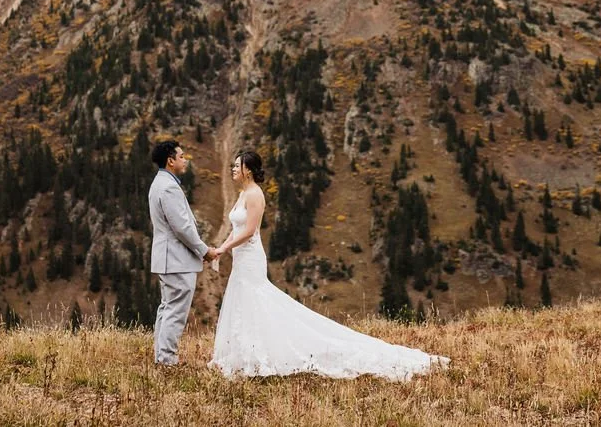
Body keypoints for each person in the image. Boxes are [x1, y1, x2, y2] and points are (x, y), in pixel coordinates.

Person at [208, 150, 449, 379]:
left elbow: (250, 231)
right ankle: (244, 353)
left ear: (248, 170)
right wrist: (221, 247)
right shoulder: (241, 194)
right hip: (240, 259)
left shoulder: (255, 195)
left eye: (236, 166)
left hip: (250, 258)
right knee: (244, 304)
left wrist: (225, 248)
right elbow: (235, 229)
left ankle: (262, 353)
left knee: (257, 301)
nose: (232, 169)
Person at [148, 140, 217, 366]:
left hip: (167, 258)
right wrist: (204, 250)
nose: (185, 160)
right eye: (181, 156)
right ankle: (167, 360)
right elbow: (182, 227)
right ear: (170, 160)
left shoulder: (160, 183)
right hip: (176, 259)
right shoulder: (168, 187)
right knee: (175, 311)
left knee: (167, 307)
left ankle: (161, 357)